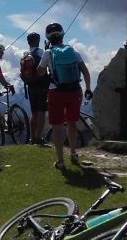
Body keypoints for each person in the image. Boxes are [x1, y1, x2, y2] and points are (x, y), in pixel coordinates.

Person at [36, 23, 93, 169]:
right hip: (75, 91)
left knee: (57, 125)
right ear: (62, 35)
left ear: (48, 37)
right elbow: (85, 72)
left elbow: (40, 72)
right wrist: (87, 88)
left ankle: (60, 160)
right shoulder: (74, 52)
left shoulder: (48, 53)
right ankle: (73, 152)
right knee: (72, 122)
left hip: (56, 92)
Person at [24, 32, 50, 145]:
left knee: (33, 113)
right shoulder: (41, 52)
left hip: (30, 86)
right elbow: (47, 66)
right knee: (41, 113)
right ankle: (39, 138)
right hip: (42, 85)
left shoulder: (25, 54)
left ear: (28, 42)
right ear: (38, 40)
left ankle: (32, 138)